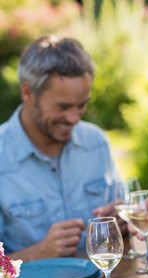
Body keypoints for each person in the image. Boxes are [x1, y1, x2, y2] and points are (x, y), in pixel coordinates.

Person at [0, 35, 123, 262]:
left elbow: (124, 218)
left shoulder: (95, 142)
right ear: (27, 92)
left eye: (82, 105)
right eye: (63, 107)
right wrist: (37, 253)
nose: (74, 118)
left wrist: (122, 221)